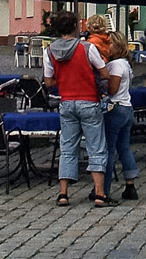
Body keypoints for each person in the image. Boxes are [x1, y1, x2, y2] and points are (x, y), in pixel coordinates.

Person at [44, 11, 116, 207]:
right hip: (89, 101)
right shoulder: (87, 48)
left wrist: (65, 78)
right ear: (76, 26)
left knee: (67, 147)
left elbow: (49, 81)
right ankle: (100, 193)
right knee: (96, 147)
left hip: (66, 102)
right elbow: (104, 73)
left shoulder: (49, 50)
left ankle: (63, 193)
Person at [101, 32, 140, 201]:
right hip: (127, 108)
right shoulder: (126, 64)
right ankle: (130, 184)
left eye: (109, 44)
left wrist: (102, 86)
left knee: (109, 150)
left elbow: (112, 90)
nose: (106, 47)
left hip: (114, 108)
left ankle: (104, 189)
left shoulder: (115, 65)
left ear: (117, 47)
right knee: (124, 148)